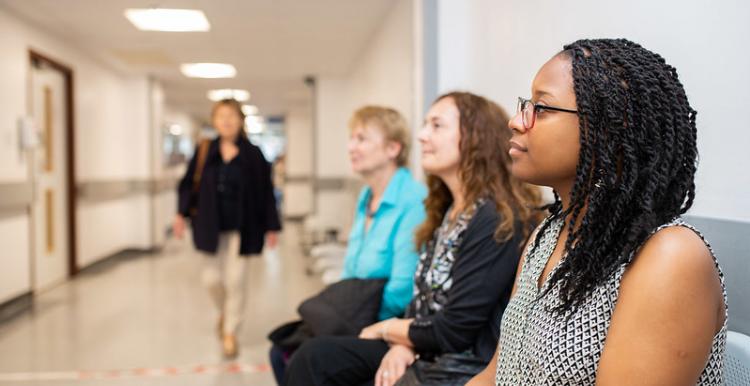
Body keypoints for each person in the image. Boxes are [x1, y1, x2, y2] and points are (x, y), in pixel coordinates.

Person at [467, 38, 727, 386]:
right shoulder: (546, 237)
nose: (516, 121)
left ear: (610, 130)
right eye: (525, 105)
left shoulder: (670, 256)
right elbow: (496, 375)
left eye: (541, 108)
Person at [283, 92, 541, 386]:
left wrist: (389, 331)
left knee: (314, 360)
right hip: (427, 345)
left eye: (436, 126)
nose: (421, 136)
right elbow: (424, 302)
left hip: (457, 363)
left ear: (476, 137)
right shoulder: (449, 209)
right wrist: (402, 344)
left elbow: (455, 328)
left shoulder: (494, 217)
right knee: (311, 355)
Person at [270, 106, 426, 384]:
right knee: (280, 348)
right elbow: (351, 271)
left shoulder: (413, 200)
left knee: (307, 357)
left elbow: (402, 291)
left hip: (388, 322)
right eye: (352, 138)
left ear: (393, 148)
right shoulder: (367, 197)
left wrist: (348, 324)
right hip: (359, 310)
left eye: (362, 139)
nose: (351, 147)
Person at [174, 98, 281, 358]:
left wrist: (272, 226)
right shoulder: (204, 151)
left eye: (231, 116)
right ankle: (224, 312)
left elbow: (266, 191)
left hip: (242, 228)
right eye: (221, 116)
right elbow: (188, 184)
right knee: (211, 280)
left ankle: (230, 331)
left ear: (240, 121)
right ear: (214, 120)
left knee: (236, 281)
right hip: (209, 225)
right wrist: (180, 213)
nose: (226, 121)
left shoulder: (253, 153)